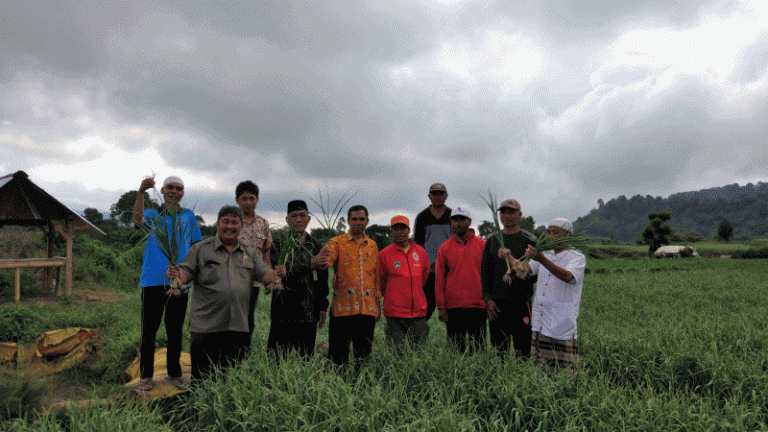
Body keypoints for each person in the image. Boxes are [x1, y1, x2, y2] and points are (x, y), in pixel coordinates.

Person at [168, 206, 277, 381]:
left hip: (237, 327)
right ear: (217, 224)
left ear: (241, 227)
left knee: (230, 379)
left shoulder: (250, 253)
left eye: (235, 222)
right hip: (206, 327)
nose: (230, 226)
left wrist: (277, 274)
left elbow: (265, 274)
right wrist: (176, 276)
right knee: (201, 379)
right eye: (225, 221)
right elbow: (185, 273)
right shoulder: (201, 249)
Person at [132, 175, 202, 391]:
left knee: (175, 329)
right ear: (162, 191)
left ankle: (174, 373)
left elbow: (196, 246)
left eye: (179, 188)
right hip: (152, 281)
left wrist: (183, 270)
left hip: (179, 283)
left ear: (183, 193)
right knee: (149, 329)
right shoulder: (153, 213)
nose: (174, 191)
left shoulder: (188, 216)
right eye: (170, 187)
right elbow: (137, 221)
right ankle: (146, 376)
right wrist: (141, 192)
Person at [520, 218, 586, 375]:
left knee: (564, 371)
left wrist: (541, 259)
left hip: (561, 322)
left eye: (556, 232)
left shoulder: (576, 257)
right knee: (541, 369)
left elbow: (568, 277)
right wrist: (509, 257)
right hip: (541, 320)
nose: (551, 237)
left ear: (568, 234)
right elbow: (525, 270)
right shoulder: (546, 254)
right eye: (549, 232)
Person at [268, 200, 329, 360]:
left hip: (308, 312)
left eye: (302, 215)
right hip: (282, 311)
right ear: (287, 220)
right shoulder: (278, 245)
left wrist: (322, 306)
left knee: (305, 360)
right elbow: (280, 273)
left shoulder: (316, 246)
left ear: (308, 219)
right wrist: (310, 264)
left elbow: (323, 280)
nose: (298, 219)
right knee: (276, 360)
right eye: (294, 216)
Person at [321, 205, 381, 368]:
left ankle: (361, 387)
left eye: (362, 219)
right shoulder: (336, 242)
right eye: (354, 219)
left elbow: (375, 276)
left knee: (364, 354)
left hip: (366, 309)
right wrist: (322, 259)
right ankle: (338, 388)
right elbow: (326, 261)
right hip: (342, 308)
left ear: (367, 221)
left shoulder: (373, 245)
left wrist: (377, 304)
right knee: (338, 355)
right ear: (348, 221)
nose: (358, 222)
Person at [480, 199, 537, 359]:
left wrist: (514, 265)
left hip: (521, 302)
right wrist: (488, 299)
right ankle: (499, 380)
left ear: (520, 215)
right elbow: (484, 271)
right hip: (497, 302)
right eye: (503, 212)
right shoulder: (492, 239)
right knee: (499, 350)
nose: (507, 215)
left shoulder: (530, 240)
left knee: (523, 349)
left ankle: (522, 380)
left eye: (511, 212)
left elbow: (535, 275)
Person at [435, 207, 487, 354]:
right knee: (456, 350)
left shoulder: (482, 245)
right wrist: (441, 307)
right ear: (451, 223)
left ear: (469, 222)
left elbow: (488, 275)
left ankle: (478, 377)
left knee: (478, 349)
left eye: (462, 219)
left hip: (477, 306)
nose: (458, 223)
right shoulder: (445, 248)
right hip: (454, 307)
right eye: (455, 220)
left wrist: (488, 302)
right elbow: (439, 279)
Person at [378, 215, 430, 352]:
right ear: (391, 232)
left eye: (403, 228)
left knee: (419, 352)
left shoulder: (420, 252)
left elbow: (423, 278)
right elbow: (380, 282)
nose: (400, 232)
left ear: (409, 230)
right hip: (395, 314)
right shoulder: (384, 255)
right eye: (396, 229)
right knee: (396, 354)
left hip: (418, 313)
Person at [234, 181, 272, 344]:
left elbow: (266, 250)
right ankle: (228, 349)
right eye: (244, 198)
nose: (248, 202)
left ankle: (244, 351)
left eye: (251, 198)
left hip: (254, 279)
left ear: (257, 200)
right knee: (232, 313)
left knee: (248, 315)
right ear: (237, 200)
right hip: (232, 275)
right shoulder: (231, 220)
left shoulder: (262, 223)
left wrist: (269, 276)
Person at [413, 183, 452, 324]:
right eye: (434, 193)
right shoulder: (422, 217)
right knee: (426, 306)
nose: (437, 196)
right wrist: (424, 265)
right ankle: (418, 338)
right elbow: (418, 245)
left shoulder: (452, 216)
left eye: (440, 193)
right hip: (428, 271)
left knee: (450, 307)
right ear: (429, 196)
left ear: (446, 196)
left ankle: (453, 341)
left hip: (449, 270)